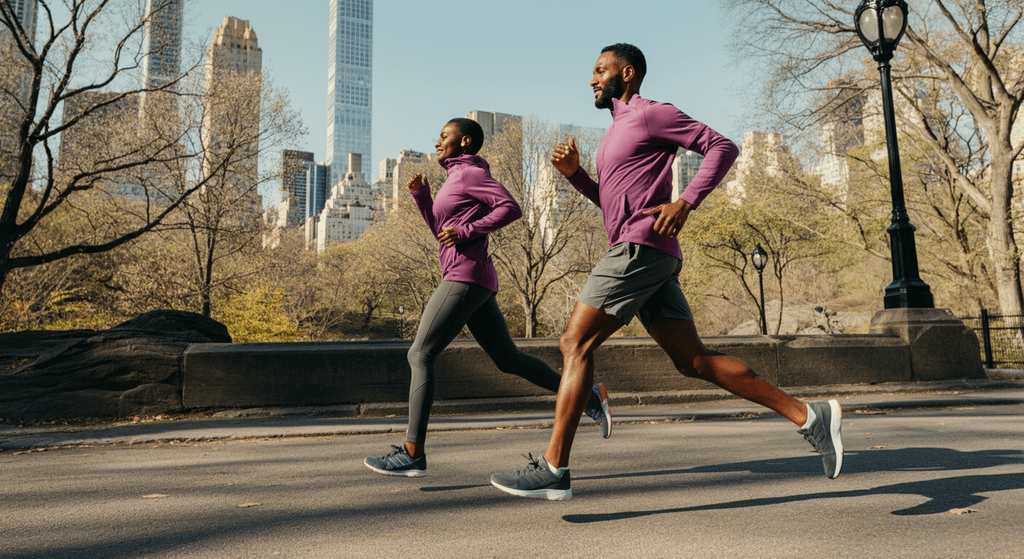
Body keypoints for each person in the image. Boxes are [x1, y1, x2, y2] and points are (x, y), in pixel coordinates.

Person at [490, 44, 843, 500]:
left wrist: (685, 201)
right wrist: (578, 176)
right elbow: (615, 209)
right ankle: (810, 417)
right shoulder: (615, 131)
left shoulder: (651, 114)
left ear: (628, 73)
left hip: (640, 249)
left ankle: (554, 467)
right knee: (692, 361)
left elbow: (722, 146)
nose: (592, 79)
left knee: (573, 343)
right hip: (643, 248)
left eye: (601, 71)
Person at [364, 118, 612, 478]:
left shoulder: (470, 174)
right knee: (508, 359)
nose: (437, 142)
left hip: (465, 276)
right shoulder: (454, 178)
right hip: (472, 276)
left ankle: (412, 452)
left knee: (420, 353)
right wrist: (423, 198)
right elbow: (441, 233)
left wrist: (467, 230)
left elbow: (510, 208)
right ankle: (588, 397)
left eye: (444, 137)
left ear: (464, 141)